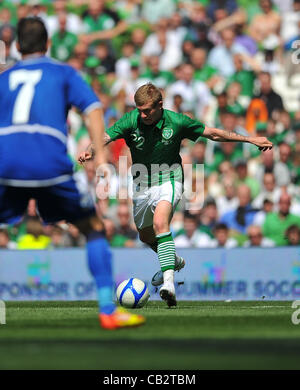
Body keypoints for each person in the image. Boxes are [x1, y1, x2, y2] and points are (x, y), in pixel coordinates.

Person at [0, 17, 144, 330]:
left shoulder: (4, 77)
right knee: (93, 226)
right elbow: (92, 109)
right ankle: (108, 310)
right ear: (48, 44)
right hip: (48, 162)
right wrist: (102, 159)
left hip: (6, 162)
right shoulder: (64, 73)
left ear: (16, 46)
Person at [79, 83, 272, 307]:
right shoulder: (131, 120)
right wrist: (90, 150)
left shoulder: (177, 121)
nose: (142, 114)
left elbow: (213, 134)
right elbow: (106, 136)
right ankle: (173, 261)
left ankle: (168, 284)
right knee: (145, 236)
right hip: (141, 184)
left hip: (170, 179)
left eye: (147, 110)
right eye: (139, 109)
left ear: (160, 105)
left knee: (161, 223)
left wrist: (250, 139)